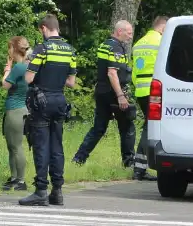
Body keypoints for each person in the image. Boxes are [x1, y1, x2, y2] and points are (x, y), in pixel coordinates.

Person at [18, 14, 77, 207]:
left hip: (42, 100)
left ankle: (41, 191)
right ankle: (57, 191)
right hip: (60, 99)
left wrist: (29, 64)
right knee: (57, 146)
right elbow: (71, 82)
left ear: (43, 28)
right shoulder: (70, 50)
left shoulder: (41, 49)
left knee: (41, 145)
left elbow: (28, 78)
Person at [72, 20, 136, 168]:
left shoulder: (105, 45)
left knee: (98, 128)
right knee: (127, 127)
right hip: (113, 93)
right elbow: (112, 73)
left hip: (101, 91)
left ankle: (78, 159)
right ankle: (129, 162)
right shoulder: (116, 48)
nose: (130, 36)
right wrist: (120, 95)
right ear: (119, 31)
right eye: (128, 32)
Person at [129, 16, 167, 181]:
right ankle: (139, 169)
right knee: (149, 128)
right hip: (154, 90)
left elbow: (134, 70)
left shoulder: (139, 43)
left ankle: (140, 167)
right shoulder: (161, 42)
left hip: (140, 91)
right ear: (163, 27)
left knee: (147, 127)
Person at [0, 36, 32, 191]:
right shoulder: (28, 65)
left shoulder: (19, 67)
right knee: (12, 146)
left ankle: (20, 180)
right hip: (21, 109)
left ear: (14, 49)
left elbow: (5, 85)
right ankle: (13, 178)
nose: (8, 51)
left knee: (16, 146)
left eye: (9, 48)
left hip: (15, 110)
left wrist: (7, 71)